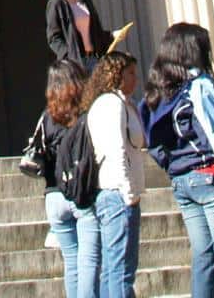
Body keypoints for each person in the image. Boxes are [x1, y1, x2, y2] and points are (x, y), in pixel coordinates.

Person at [143, 22, 214, 298]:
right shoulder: (199, 85)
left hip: (181, 179)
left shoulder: (157, 93)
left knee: (204, 255)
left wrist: (172, 167)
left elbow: (150, 140)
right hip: (210, 174)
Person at [36, 58, 100, 298]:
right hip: (80, 193)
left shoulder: (47, 116)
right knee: (89, 260)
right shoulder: (84, 114)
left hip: (53, 195)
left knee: (72, 263)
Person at [83, 50, 144, 298]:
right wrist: (128, 192)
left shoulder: (119, 104)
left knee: (113, 268)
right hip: (117, 192)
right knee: (121, 270)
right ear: (116, 75)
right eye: (130, 73)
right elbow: (117, 148)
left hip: (115, 192)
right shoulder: (111, 104)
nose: (135, 79)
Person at [47, 0, 114, 71]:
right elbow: (53, 38)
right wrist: (68, 55)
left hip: (93, 58)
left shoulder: (86, 1)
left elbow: (95, 31)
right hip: (74, 63)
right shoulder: (57, 3)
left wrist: (112, 35)